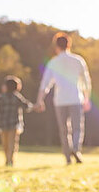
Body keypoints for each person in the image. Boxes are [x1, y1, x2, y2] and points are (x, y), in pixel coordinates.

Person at [34, 32, 92, 164]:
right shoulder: (78, 60)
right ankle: (76, 149)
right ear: (69, 45)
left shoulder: (53, 62)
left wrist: (39, 100)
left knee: (64, 130)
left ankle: (67, 157)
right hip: (76, 99)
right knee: (77, 128)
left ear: (56, 47)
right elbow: (86, 81)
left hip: (60, 101)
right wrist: (87, 98)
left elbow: (45, 84)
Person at [0, 75, 33, 167]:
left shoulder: (0, 97)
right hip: (14, 123)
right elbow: (27, 106)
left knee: (5, 143)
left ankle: (8, 159)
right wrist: (33, 107)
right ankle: (10, 160)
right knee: (12, 142)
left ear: (6, 86)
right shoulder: (17, 97)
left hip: (2, 123)